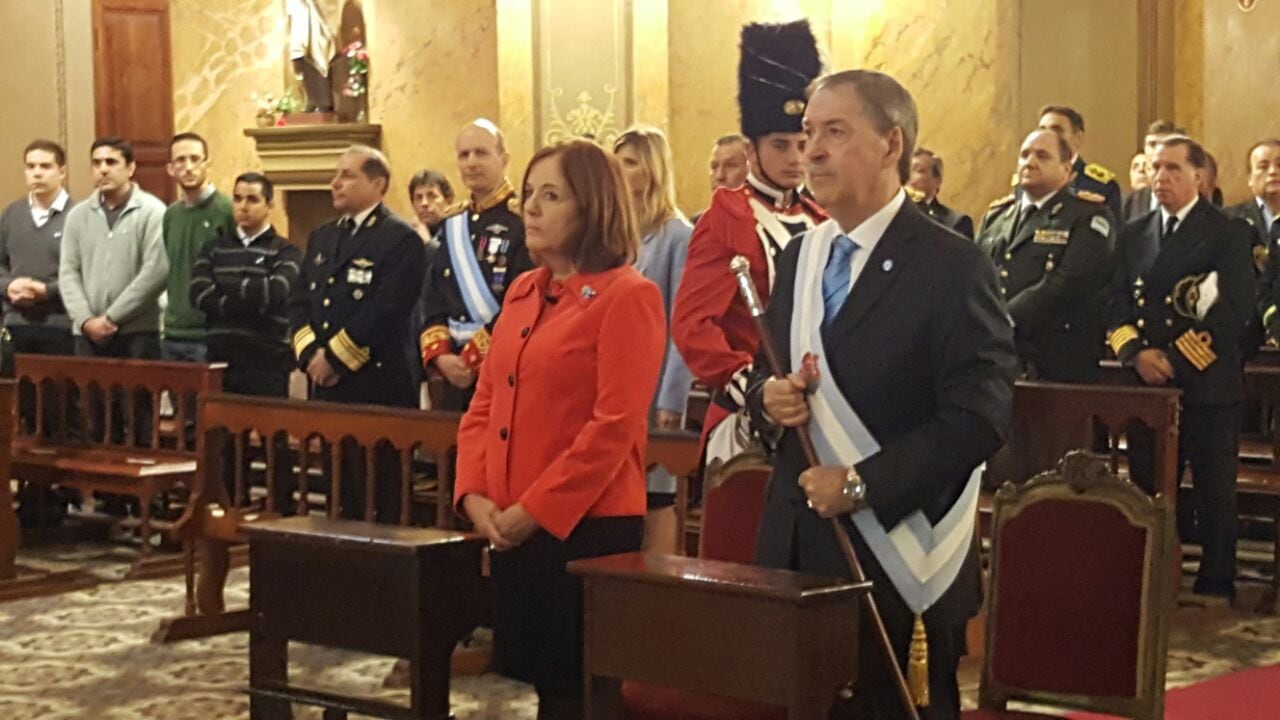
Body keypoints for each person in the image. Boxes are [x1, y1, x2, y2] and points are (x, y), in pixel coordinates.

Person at [750, 69, 1016, 720]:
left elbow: (981, 414)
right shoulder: (798, 259)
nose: (810, 151)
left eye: (834, 132)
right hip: (799, 552)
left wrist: (866, 483)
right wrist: (770, 401)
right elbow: (771, 376)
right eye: (809, 132)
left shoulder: (951, 263)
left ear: (892, 144)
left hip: (900, 555)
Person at [454, 139, 665, 720]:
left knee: (583, 691)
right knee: (543, 685)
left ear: (593, 206)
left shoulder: (628, 296)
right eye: (528, 194)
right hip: (510, 521)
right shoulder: (525, 291)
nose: (531, 208)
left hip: (585, 528)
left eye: (551, 196)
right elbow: (486, 400)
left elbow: (614, 425)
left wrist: (534, 510)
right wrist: (474, 494)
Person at [1105, 136, 1254, 601]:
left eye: (1172, 169)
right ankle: (1153, 571)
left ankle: (1215, 578)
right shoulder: (1134, 232)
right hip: (1147, 384)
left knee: (1214, 488)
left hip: (1207, 380)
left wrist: (1173, 358)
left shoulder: (1227, 232)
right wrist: (1135, 354)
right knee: (1149, 485)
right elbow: (1113, 302)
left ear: (1199, 177)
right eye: (1155, 168)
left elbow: (1234, 309)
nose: (1161, 178)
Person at [672, 19, 825, 465]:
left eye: (804, 143)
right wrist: (754, 388)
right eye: (781, 145)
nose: (797, 159)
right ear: (750, 148)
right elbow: (693, 326)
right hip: (751, 416)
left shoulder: (822, 216)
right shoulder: (728, 217)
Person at [287, 145, 425, 522]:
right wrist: (310, 356)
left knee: (380, 492)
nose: (335, 183)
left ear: (377, 183)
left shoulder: (400, 240)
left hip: (377, 386)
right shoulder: (322, 237)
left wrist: (334, 359)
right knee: (338, 490)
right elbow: (300, 302)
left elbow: (387, 312)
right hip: (330, 388)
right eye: (336, 173)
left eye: (347, 175)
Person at [191, 171, 301, 513]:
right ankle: (231, 501)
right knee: (227, 438)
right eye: (238, 198)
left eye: (252, 199)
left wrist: (226, 295)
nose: (243, 207)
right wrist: (249, 296)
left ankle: (279, 505)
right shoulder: (214, 247)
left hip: (267, 356)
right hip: (224, 356)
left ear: (269, 205)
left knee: (274, 438)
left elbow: (277, 292)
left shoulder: (286, 250)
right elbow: (198, 293)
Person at [613, 124, 695, 554]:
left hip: (654, 383)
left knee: (656, 493)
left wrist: (672, 398)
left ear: (650, 169)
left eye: (628, 162)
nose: (618, 169)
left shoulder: (676, 235)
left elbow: (684, 321)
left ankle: (658, 582)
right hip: (616, 384)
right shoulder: (619, 234)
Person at [975, 129, 1113, 382]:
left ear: (1066, 168)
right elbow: (975, 276)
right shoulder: (996, 217)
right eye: (1024, 154)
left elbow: (1070, 280)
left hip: (1055, 360)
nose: (1029, 162)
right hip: (996, 356)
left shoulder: (1087, 215)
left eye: (1042, 155)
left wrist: (1005, 319)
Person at [419, 119, 533, 411]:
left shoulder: (523, 220)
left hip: (505, 366)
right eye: (464, 154)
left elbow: (524, 301)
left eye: (481, 153)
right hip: (451, 370)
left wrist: (473, 358)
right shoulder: (453, 222)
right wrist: (441, 355)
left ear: (504, 159)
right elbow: (434, 297)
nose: (471, 162)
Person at [161, 132, 233, 363]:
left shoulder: (227, 211)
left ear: (207, 164)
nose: (188, 167)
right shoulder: (171, 215)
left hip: (209, 333)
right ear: (170, 169)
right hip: (173, 332)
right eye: (180, 161)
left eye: (195, 159)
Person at [0, 139, 75, 363]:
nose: (37, 173)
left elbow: (88, 274)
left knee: (57, 397)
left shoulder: (78, 216)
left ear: (62, 172)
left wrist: (46, 290)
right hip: (15, 325)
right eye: (31, 167)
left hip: (62, 326)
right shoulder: (12, 214)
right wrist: (9, 285)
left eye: (45, 166)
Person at [1037, 104, 1122, 220]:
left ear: (1078, 138)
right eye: (1042, 130)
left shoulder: (1102, 186)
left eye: (1057, 130)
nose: (1048, 136)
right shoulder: (1027, 181)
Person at [1123, 119, 1185, 224]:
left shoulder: (1190, 199)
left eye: (1165, 144)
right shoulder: (1128, 203)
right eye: (1152, 145)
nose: (1157, 151)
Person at [1227, 138, 1280, 254]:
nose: (1273, 172)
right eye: (1263, 167)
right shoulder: (1229, 220)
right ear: (1250, 178)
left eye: (1279, 165)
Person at [907, 148, 973, 238]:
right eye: (907, 170)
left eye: (918, 170)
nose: (909, 177)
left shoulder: (956, 222)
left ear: (937, 181)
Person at [690, 134, 750, 224]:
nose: (719, 176)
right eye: (714, 167)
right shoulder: (698, 224)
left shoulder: (768, 227)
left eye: (730, 166)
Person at [407, 168, 457, 248]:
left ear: (448, 199)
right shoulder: (409, 238)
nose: (424, 203)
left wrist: (428, 243)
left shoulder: (459, 231)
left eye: (431, 196)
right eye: (418, 198)